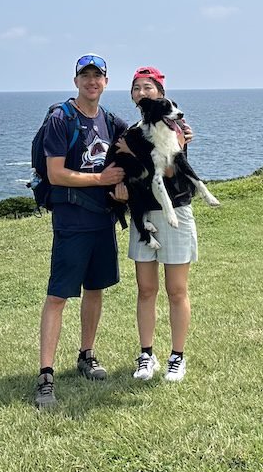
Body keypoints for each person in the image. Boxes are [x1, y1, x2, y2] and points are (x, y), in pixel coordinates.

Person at [35, 54, 126, 409]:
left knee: (95, 289)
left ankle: (86, 355)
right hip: (72, 221)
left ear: (105, 82)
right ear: (76, 81)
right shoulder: (62, 119)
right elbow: (56, 173)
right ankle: (46, 375)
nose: (92, 81)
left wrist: (181, 135)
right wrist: (101, 180)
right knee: (58, 296)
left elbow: (141, 139)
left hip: (102, 220)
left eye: (98, 76)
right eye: (85, 76)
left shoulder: (109, 120)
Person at [122, 65, 198, 383]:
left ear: (160, 94)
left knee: (177, 290)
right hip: (146, 214)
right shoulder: (133, 131)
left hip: (176, 212)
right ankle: (146, 355)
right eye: (137, 87)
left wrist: (138, 151)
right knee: (146, 290)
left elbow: (170, 173)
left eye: (148, 87)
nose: (142, 92)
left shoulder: (176, 128)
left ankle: (176, 357)